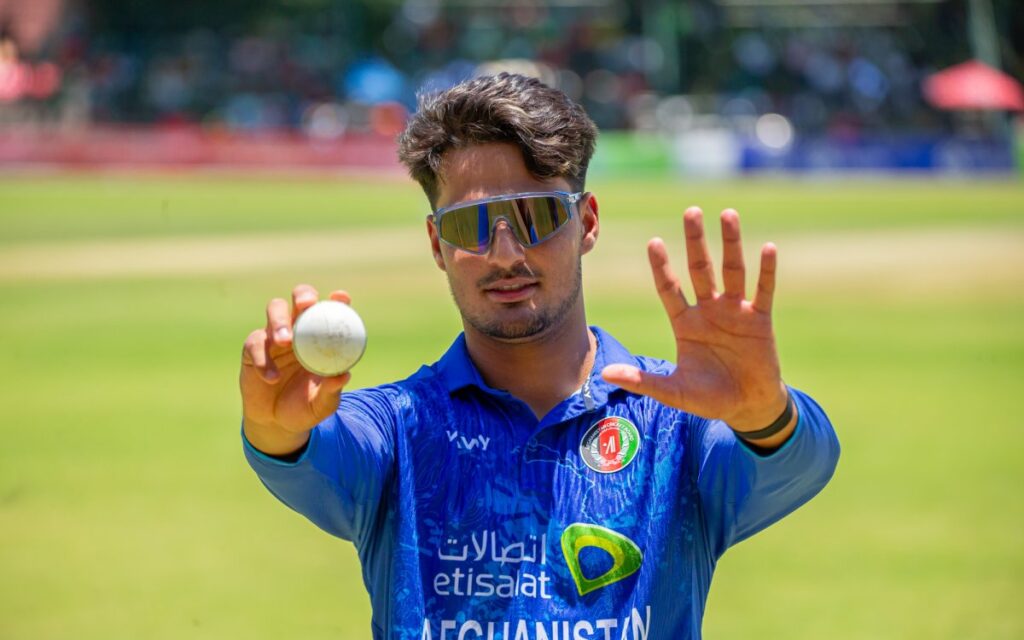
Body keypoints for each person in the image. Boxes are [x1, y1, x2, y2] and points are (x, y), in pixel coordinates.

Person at [239, 72, 840, 640]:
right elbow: (314, 455)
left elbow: (804, 463)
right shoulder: (399, 427)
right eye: (470, 225)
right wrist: (275, 428)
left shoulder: (673, 420)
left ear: (587, 221)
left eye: (536, 215)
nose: (505, 253)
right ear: (436, 244)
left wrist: (766, 416)